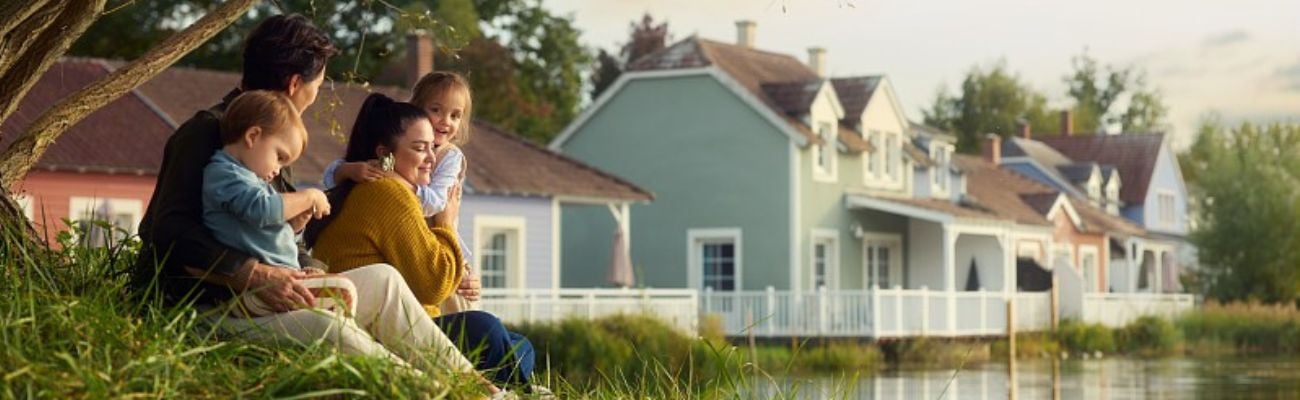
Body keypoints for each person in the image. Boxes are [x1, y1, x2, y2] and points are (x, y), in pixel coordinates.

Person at [131, 14, 502, 395]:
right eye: (318, 86)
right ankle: (442, 395)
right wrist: (254, 274)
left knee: (383, 280)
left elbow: (277, 234)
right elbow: (165, 229)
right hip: (208, 307)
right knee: (328, 329)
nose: (315, 97)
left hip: (266, 294)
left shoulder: (274, 141)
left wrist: (307, 269)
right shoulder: (211, 132)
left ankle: (480, 388)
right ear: (295, 84)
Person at [307, 92, 534, 386]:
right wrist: (446, 224)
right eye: (419, 148)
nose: (431, 159)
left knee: (517, 344)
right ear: (384, 155)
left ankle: (508, 389)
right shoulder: (387, 193)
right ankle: (509, 389)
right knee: (486, 329)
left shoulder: (359, 188)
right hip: (381, 331)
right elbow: (433, 284)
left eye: (431, 148)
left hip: (392, 323)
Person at [322, 71, 479, 313]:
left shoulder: (450, 156)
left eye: (455, 115)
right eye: (436, 110)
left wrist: (395, 178)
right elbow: (329, 177)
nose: (445, 121)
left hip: (440, 242)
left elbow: (436, 203)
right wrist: (350, 170)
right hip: (416, 249)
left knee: (469, 317)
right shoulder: (384, 174)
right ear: (415, 108)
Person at [202, 90, 354, 316]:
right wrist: (310, 196)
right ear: (253, 136)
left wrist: (294, 225)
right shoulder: (225, 173)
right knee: (343, 291)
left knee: (341, 289)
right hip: (255, 292)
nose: (277, 170)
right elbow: (262, 210)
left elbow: (264, 230)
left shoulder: (250, 179)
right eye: (279, 157)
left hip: (281, 280)